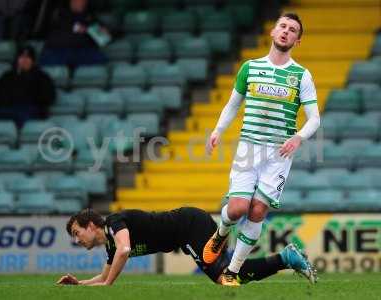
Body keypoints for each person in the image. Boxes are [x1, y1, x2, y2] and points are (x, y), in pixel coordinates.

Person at [202, 13, 320, 286]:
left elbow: (314, 117)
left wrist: (299, 138)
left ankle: (232, 271)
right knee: (237, 209)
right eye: (282, 26)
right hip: (249, 148)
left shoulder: (301, 75)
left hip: (278, 155)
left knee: (257, 212)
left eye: (292, 30)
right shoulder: (250, 67)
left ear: (297, 40)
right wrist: (218, 129)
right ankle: (221, 233)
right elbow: (233, 104)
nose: (286, 32)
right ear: (273, 31)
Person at [57, 207, 317, 286]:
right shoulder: (111, 246)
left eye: (77, 233)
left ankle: (286, 258)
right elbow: (104, 276)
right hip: (187, 229)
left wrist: (107, 284)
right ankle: (286, 258)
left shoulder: (114, 224)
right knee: (228, 276)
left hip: (189, 225)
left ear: (91, 225)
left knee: (223, 278)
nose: (77, 240)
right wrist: (80, 285)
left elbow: (124, 251)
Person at [0, 45, 56, 127]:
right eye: (21, 57)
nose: (24, 60)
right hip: (6, 109)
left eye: (27, 57)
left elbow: (49, 96)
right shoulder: (7, 76)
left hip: (30, 110)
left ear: (33, 60)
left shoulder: (42, 77)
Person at [39, 0, 108, 69]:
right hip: (59, 51)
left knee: (100, 58)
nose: (82, 3)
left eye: (84, 1)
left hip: (83, 51)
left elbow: (103, 36)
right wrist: (80, 29)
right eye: (78, 1)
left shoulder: (90, 16)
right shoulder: (59, 14)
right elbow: (56, 34)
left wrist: (103, 32)